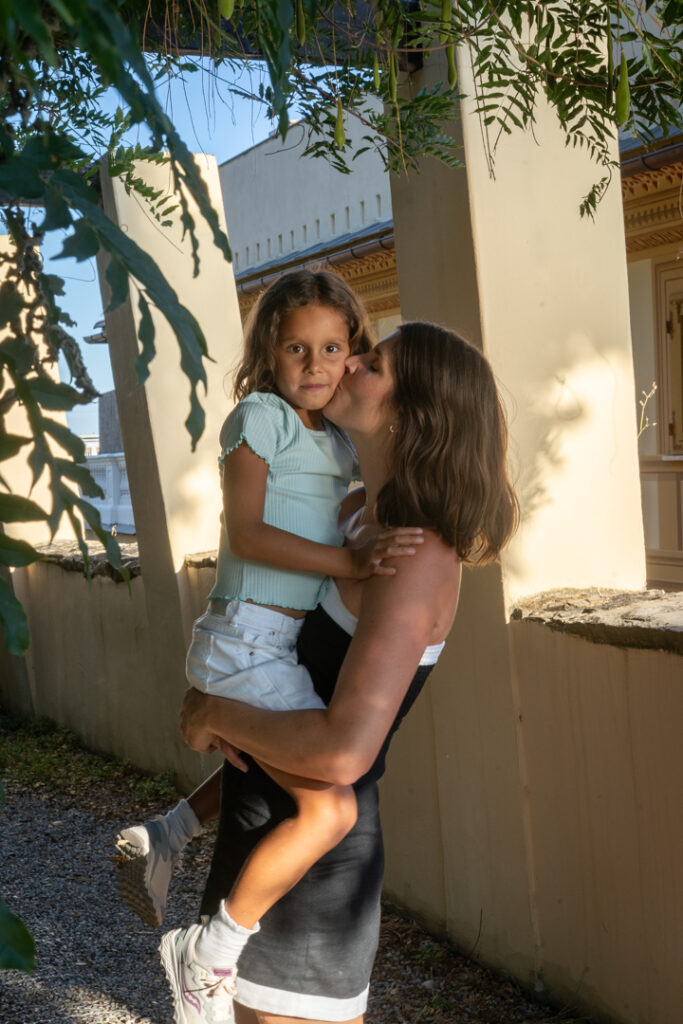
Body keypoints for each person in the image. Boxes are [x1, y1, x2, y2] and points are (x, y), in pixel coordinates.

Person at [178, 321, 519, 1024]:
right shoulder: (360, 517)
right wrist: (195, 806)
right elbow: (288, 691)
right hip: (260, 843)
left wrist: (211, 713)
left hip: (312, 882)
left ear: (413, 412)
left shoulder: (416, 558)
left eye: (374, 364)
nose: (351, 363)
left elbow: (342, 752)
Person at [113, 270, 421, 1009]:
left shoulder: (338, 441)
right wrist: (351, 563)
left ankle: (169, 832)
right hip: (244, 636)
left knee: (276, 758)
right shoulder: (259, 417)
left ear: (353, 352)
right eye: (295, 348)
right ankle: (207, 953)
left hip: (273, 644)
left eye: (332, 348)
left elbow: (339, 510)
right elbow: (249, 533)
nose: (315, 365)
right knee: (331, 809)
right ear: (269, 354)